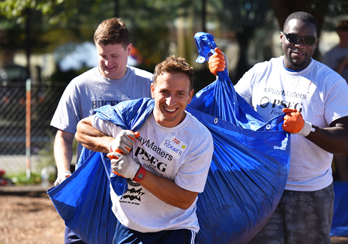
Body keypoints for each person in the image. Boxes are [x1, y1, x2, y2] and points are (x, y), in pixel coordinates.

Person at [209, 11, 348, 243]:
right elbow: (227, 113)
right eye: (293, 37)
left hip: (310, 192)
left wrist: (305, 128)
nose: (299, 45)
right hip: (262, 189)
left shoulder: (330, 82)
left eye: (308, 40)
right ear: (281, 37)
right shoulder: (260, 73)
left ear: (316, 42)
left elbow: (344, 141)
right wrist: (221, 78)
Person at [75, 55, 214, 244]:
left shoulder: (198, 138)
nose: (171, 101)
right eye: (164, 92)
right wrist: (111, 143)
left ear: (190, 96)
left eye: (180, 94)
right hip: (129, 225)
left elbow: (184, 199)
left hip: (174, 228)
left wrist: (136, 172)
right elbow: (82, 130)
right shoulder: (131, 115)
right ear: (153, 90)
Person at [50, 17, 153, 244]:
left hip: (135, 189)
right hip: (89, 185)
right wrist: (64, 172)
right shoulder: (80, 86)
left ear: (128, 50)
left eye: (114, 56)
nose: (107, 62)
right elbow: (64, 135)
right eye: (102, 56)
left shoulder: (149, 84)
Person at [322, 20, 348, 181]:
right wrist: (344, 62)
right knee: (340, 140)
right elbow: (330, 81)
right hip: (338, 103)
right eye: (342, 35)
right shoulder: (330, 55)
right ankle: (345, 181)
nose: (344, 39)